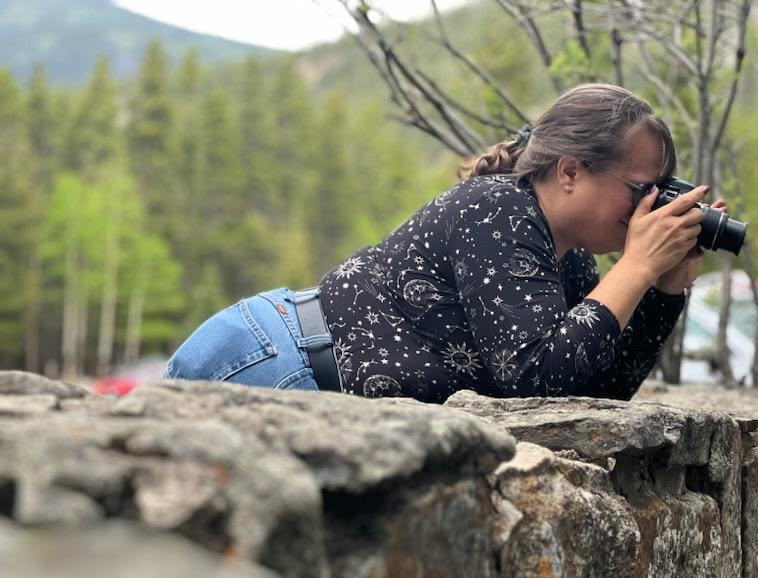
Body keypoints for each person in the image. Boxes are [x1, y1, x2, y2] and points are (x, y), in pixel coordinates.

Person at [164, 83, 726, 402]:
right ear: (571, 171)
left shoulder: (572, 260)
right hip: (275, 362)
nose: (651, 207)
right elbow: (532, 375)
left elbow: (591, 394)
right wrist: (635, 266)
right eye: (640, 189)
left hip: (311, 382)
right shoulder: (498, 207)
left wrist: (664, 287)